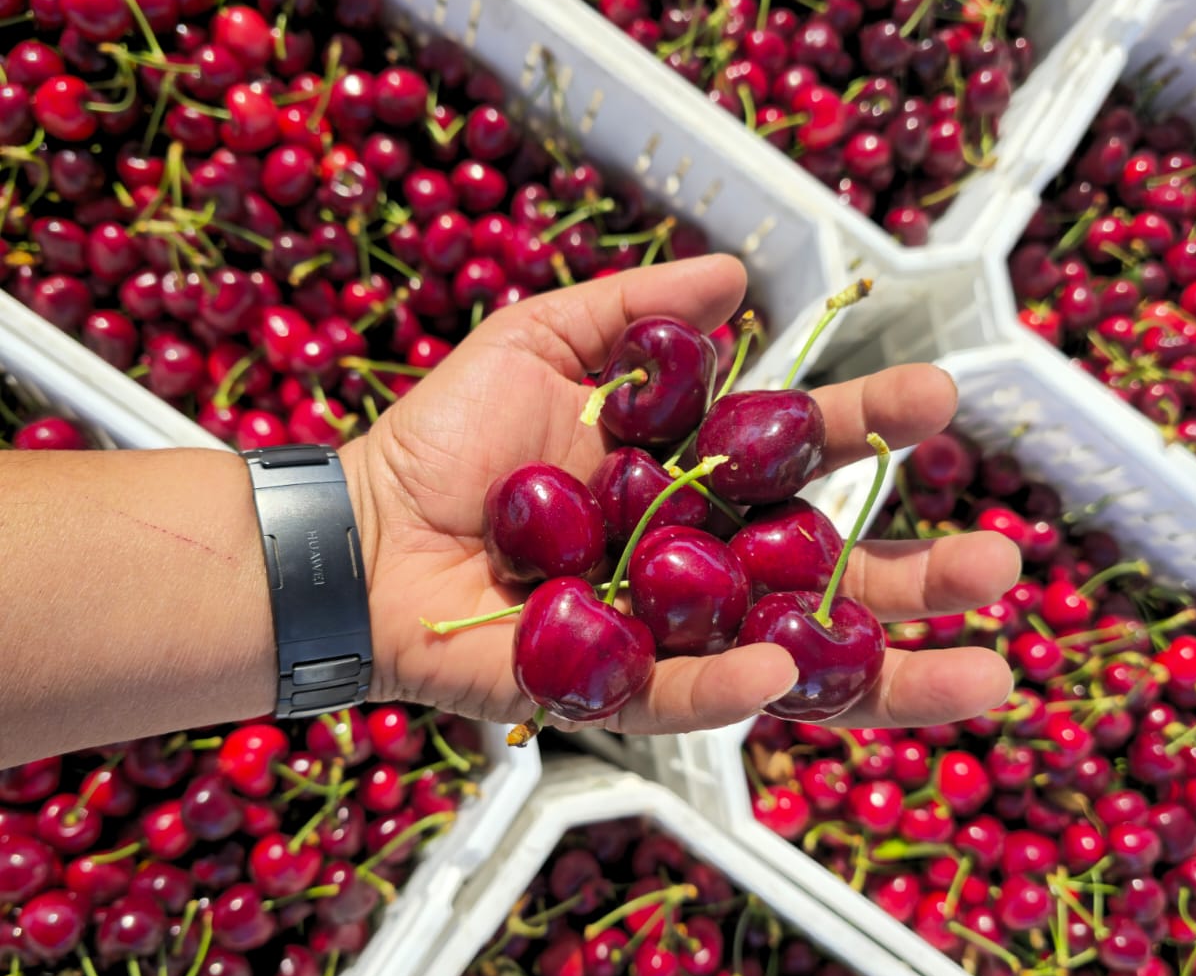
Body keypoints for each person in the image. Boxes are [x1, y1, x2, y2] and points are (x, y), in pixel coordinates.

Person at [1, 255, 1019, 769]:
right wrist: (365, 526)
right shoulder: (600, 502)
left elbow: (665, 516)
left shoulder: (671, 511)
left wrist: (359, 538)